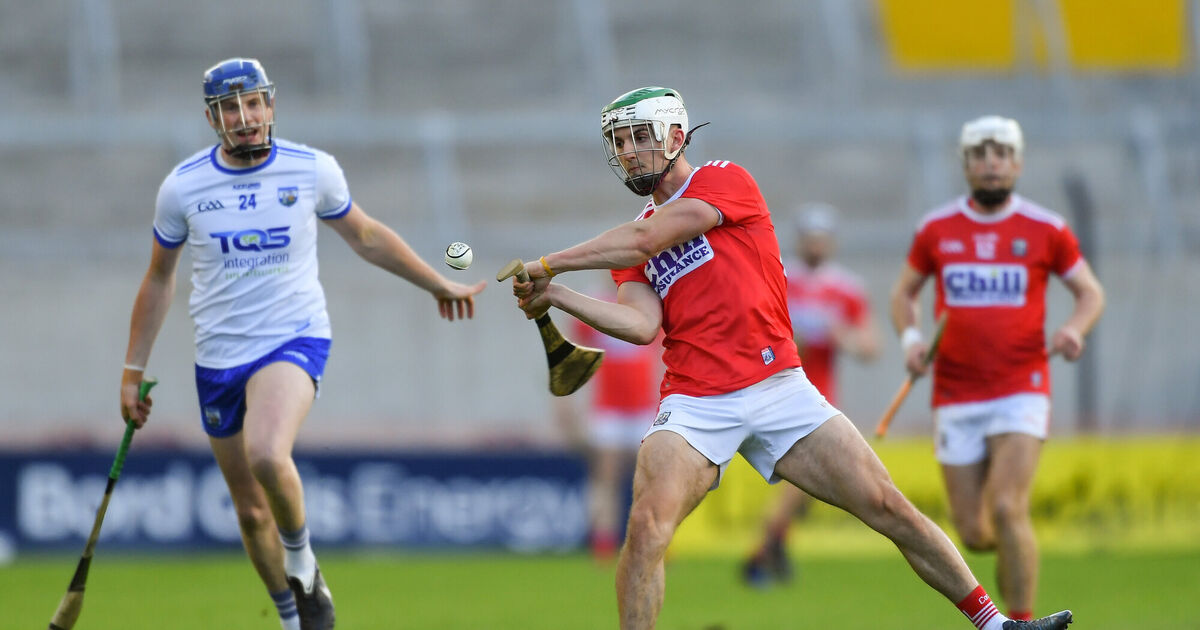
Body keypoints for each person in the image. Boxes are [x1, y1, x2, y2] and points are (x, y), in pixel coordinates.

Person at [508, 86, 1073, 630]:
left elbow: (647, 241)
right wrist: (556, 294)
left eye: (639, 137)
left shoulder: (722, 181)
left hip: (779, 387)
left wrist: (549, 264)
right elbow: (640, 324)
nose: (628, 151)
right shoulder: (631, 240)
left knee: (887, 506)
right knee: (647, 528)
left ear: (676, 137)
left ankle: (996, 624)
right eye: (619, 141)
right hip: (695, 401)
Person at [119, 58, 485, 630]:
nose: (245, 117)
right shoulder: (183, 187)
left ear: (270, 104)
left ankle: (303, 563)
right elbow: (159, 279)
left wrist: (436, 282)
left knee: (268, 452)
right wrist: (132, 370)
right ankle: (294, 620)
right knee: (250, 511)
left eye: (253, 103)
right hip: (218, 357)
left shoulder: (311, 169)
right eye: (230, 108)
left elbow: (366, 236)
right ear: (212, 118)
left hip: (293, 337)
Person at [889, 115, 1105, 621]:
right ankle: (1014, 574)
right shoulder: (936, 228)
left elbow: (1090, 293)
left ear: (1018, 163)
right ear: (966, 164)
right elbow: (903, 294)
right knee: (975, 532)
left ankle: (1022, 621)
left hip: (1021, 387)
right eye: (980, 155)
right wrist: (913, 339)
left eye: (1002, 154)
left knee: (1008, 506)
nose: (991, 164)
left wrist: (1075, 329)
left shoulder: (1047, 228)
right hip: (955, 394)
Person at [742, 203, 880, 587]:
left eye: (822, 238)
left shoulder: (846, 288)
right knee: (804, 478)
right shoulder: (780, 276)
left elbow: (871, 347)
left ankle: (770, 547)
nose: (815, 245)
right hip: (771, 388)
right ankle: (766, 548)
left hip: (819, 397)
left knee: (809, 481)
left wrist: (841, 337)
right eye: (810, 238)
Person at [553, 281, 662, 563]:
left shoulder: (650, 306)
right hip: (608, 408)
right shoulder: (597, 307)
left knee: (652, 478)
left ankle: (655, 541)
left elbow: (662, 358)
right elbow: (572, 357)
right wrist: (565, 403)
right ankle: (603, 544)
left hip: (644, 407)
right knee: (606, 477)